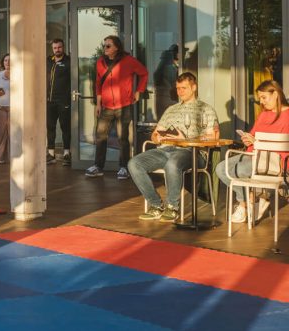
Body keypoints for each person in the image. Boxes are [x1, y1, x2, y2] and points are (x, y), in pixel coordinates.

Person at [128, 72, 219, 222]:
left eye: (184, 88)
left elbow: (214, 137)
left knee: (173, 163)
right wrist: (158, 137)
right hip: (165, 150)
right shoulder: (171, 109)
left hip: (192, 152)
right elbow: (155, 134)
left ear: (194, 87)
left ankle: (172, 207)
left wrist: (186, 139)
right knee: (134, 163)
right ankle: (156, 205)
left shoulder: (206, 109)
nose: (180, 92)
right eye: (178, 88)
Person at [217, 79, 289, 224]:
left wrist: (258, 142)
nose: (261, 102)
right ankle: (249, 199)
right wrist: (248, 139)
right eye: (260, 98)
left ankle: (245, 204)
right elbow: (254, 134)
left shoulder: (287, 116)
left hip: (274, 161)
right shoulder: (264, 114)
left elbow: (283, 146)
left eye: (264, 97)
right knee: (220, 168)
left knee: (239, 171)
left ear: (275, 94)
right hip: (253, 155)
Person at [86, 35, 147, 179]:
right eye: (104, 45)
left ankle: (124, 168)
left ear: (116, 47)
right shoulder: (100, 62)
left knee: (123, 138)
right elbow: (98, 84)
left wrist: (139, 91)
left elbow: (144, 73)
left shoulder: (129, 61)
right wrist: (98, 104)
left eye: (108, 46)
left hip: (123, 106)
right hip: (106, 107)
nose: (105, 48)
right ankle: (98, 166)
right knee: (100, 137)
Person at [47, 39, 72, 166]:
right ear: (52, 49)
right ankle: (51, 154)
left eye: (59, 47)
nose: (57, 50)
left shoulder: (69, 61)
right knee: (50, 127)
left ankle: (67, 153)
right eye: (55, 48)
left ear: (63, 47)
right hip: (49, 101)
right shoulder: (48, 61)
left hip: (63, 101)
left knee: (65, 127)